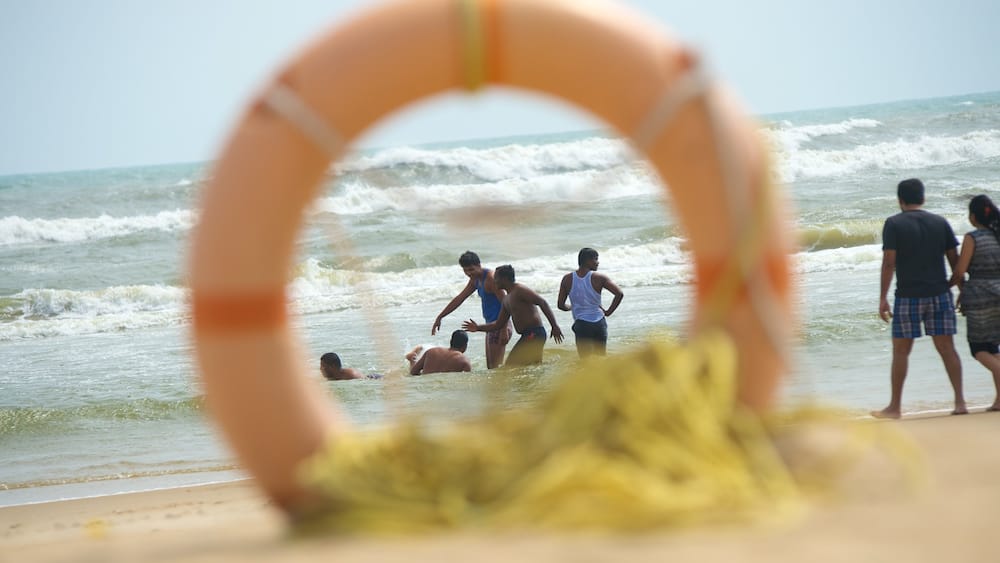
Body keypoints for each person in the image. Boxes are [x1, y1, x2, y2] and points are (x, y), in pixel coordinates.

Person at [872, 178, 966, 419]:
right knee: (947, 349)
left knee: (901, 352)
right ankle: (960, 402)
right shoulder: (940, 222)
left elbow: (889, 262)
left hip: (908, 296)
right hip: (939, 294)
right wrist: (961, 290)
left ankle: (894, 408)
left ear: (900, 200)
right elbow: (955, 262)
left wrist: (882, 298)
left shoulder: (893, 224)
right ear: (923, 198)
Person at [949, 194, 1000, 412]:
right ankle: (999, 400)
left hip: (981, 296)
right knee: (992, 347)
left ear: (972, 217)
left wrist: (949, 285)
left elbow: (960, 271)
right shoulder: (997, 236)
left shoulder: (973, 238)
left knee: (979, 348)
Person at [463, 264, 564, 366]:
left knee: (511, 366)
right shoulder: (506, 300)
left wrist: (554, 326)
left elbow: (542, 303)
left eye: (496, 278)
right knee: (532, 366)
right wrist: (477, 328)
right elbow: (498, 324)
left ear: (505, 279)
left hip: (534, 334)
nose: (494, 281)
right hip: (527, 335)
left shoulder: (520, 290)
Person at [432, 251, 512, 369]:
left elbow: (506, 303)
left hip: (500, 325)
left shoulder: (490, 278)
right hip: (491, 326)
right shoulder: (476, 279)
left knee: (496, 368)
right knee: (491, 367)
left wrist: (504, 330)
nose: (469, 273)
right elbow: (460, 298)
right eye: (466, 271)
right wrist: (440, 316)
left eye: (471, 269)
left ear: (479, 265)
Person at [557, 247, 624, 357]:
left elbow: (560, 305)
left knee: (585, 360)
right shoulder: (599, 277)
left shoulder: (567, 279)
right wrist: (608, 312)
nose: (598, 262)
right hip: (599, 323)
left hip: (582, 325)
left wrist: (571, 307)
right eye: (596, 259)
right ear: (587, 260)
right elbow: (619, 293)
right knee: (601, 357)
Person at [405, 330, 473, 375]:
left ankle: (413, 360)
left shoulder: (431, 351)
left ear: (450, 341)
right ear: (465, 346)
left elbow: (413, 372)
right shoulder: (465, 361)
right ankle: (413, 359)